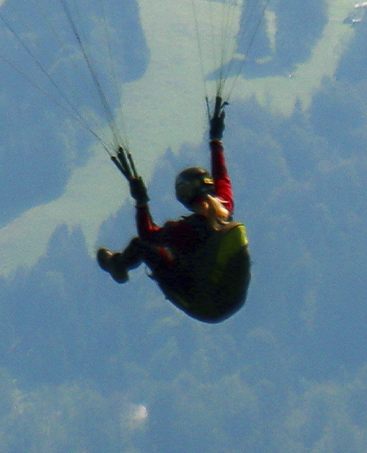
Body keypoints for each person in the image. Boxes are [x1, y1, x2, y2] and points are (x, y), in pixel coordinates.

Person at [93, 93, 251, 322]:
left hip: (200, 302)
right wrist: (216, 140)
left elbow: (147, 235)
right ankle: (118, 264)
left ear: (184, 196)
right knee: (163, 252)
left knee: (140, 246)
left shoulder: (183, 231)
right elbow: (222, 178)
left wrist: (141, 202)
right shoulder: (224, 209)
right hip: (229, 299)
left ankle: (118, 265)